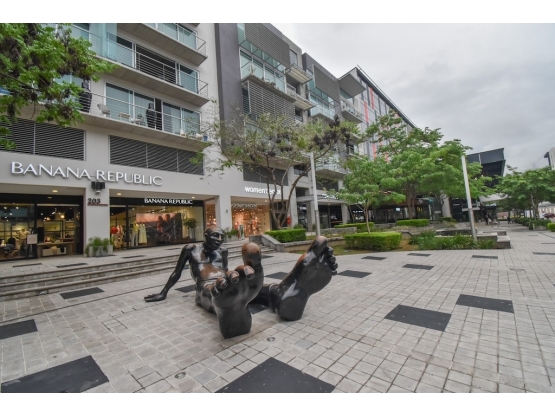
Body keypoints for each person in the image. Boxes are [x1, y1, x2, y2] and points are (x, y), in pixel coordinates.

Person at [145, 226, 338, 339]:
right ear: (205, 235)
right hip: (206, 284)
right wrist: (163, 292)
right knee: (216, 291)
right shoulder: (191, 249)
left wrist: (236, 282)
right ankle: (229, 308)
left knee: (248, 287)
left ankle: (283, 293)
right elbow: (177, 272)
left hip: (225, 279)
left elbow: (226, 270)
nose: (219, 240)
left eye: (222, 236)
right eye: (215, 235)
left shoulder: (223, 251)